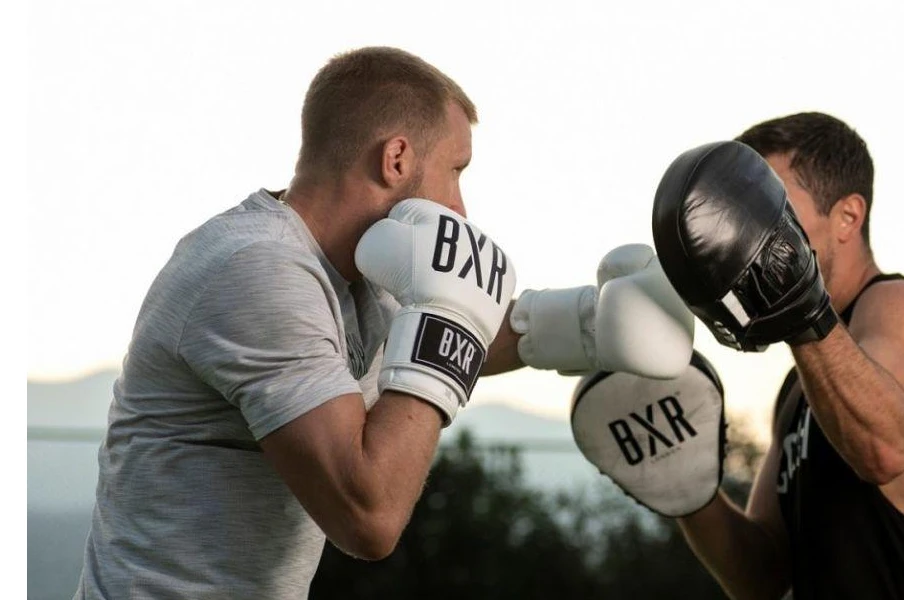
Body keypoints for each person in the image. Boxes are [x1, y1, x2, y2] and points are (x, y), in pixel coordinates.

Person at [74, 46, 691, 600]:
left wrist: (590, 324)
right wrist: (447, 313)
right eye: (456, 169)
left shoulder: (357, 275)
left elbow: (471, 329)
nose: (460, 208)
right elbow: (368, 514)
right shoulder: (258, 271)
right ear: (396, 158)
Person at [646, 113, 904, 599]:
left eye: (770, 205)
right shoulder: (801, 386)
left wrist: (801, 311)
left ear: (848, 217)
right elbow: (763, 578)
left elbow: (886, 448)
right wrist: (686, 490)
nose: (749, 227)